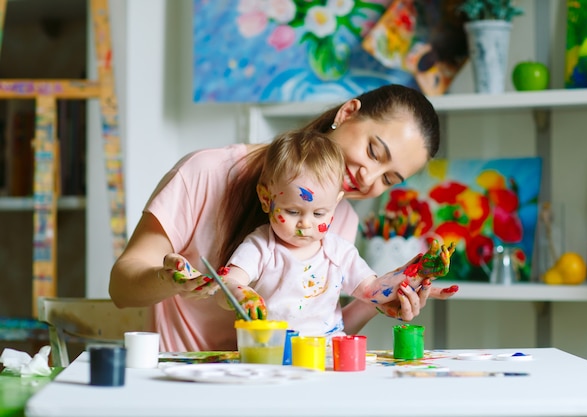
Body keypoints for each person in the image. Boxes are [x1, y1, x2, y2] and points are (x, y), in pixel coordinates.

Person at [109, 83, 459, 352]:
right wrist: (173, 281)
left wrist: (380, 299)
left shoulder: (340, 220)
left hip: (276, 383)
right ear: (347, 113)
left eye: (388, 179)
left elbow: (315, 325)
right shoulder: (207, 171)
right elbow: (121, 289)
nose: (368, 177)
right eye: (373, 151)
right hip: (184, 382)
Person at [211, 129, 454, 338]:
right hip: (271, 353)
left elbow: (372, 291)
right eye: (294, 211)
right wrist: (243, 295)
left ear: (335, 204)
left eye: (319, 214)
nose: (305, 224)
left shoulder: (339, 252)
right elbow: (227, 284)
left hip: (326, 357)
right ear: (266, 198)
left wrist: (415, 273)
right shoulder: (261, 245)